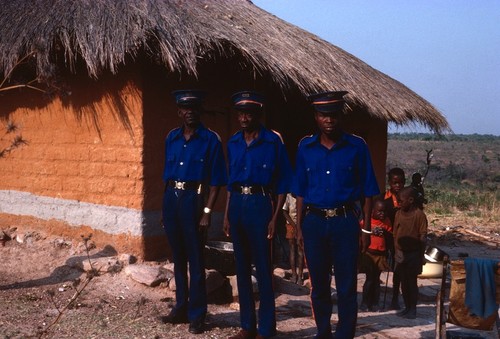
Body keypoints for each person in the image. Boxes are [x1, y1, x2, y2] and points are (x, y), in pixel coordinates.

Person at [293, 91, 380, 339]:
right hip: (314, 223)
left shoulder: (357, 146)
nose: (328, 120)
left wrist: (365, 229)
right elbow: (299, 191)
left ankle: (344, 334)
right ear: (316, 117)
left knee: (346, 286)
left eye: (333, 115)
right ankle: (323, 333)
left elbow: (368, 191)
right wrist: (299, 227)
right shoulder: (305, 147)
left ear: (340, 116)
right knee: (319, 286)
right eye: (323, 115)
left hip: (345, 223)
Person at [223, 90, 292, 339]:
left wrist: (275, 218)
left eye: (248, 113)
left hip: (262, 204)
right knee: (241, 268)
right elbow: (231, 183)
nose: (244, 118)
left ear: (257, 115)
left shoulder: (273, 141)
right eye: (240, 113)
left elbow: (284, 183)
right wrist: (227, 215)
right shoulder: (233, 142)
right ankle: (247, 326)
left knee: (263, 270)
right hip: (238, 204)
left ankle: (266, 329)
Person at [161, 90, 227, 334]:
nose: (189, 113)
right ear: (179, 112)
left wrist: (207, 211)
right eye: (185, 109)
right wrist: (163, 207)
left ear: (199, 112)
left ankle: (197, 314)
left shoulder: (210, 140)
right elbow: (166, 177)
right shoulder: (172, 138)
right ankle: (180, 308)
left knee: (196, 261)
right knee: (178, 259)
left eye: (194, 109)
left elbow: (217, 181)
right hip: (172, 199)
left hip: (195, 200)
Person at [393, 186, 428, 319]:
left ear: (411, 200)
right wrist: (396, 250)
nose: (399, 204)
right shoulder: (398, 214)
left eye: (401, 201)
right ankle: (407, 307)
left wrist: (421, 256)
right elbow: (395, 233)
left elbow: (423, 237)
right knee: (403, 282)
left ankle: (413, 308)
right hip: (401, 253)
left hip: (413, 254)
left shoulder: (419, 215)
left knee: (411, 282)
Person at [358, 197, 392, 312]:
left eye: (384, 212)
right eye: (379, 211)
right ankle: (365, 302)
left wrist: (385, 232)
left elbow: (390, 235)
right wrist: (372, 232)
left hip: (380, 254)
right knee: (369, 279)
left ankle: (375, 302)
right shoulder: (367, 221)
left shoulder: (386, 221)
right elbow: (360, 232)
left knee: (376, 279)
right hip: (369, 254)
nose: (382, 214)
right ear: (373, 211)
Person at [384, 167, 405, 310]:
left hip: (401, 239)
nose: (397, 186)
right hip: (386, 238)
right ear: (389, 182)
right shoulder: (383, 200)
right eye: (394, 183)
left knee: (398, 269)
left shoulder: (407, 199)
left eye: (400, 183)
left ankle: (395, 297)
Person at [282, 193, 304, 285]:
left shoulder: (302, 196)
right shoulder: (289, 196)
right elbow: (284, 211)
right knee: (293, 250)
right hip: (291, 225)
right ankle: (295, 274)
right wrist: (294, 225)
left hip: (300, 225)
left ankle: (299, 275)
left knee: (299, 250)